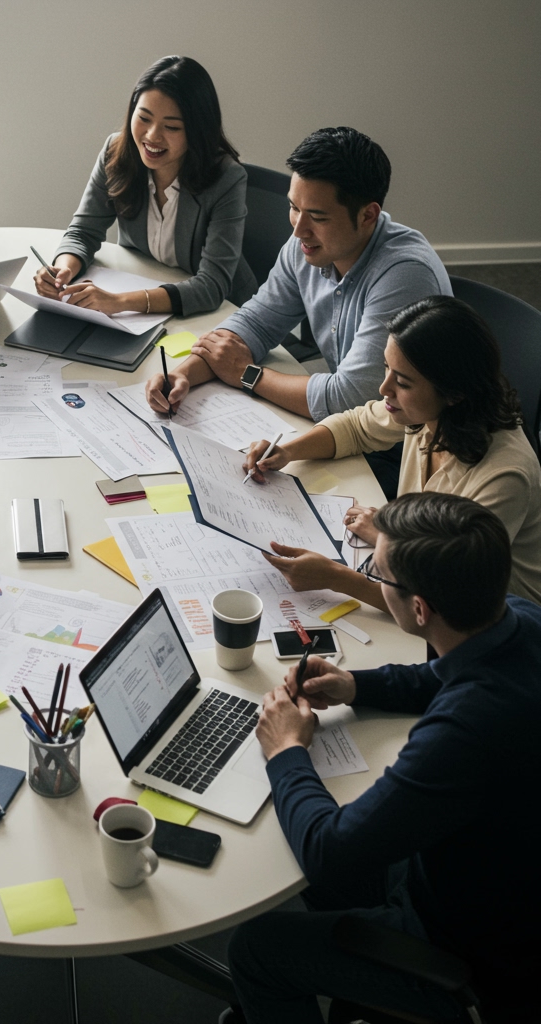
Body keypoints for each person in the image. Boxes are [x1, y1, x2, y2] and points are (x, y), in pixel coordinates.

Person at [228, 492, 534, 1022]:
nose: (371, 576)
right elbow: (442, 674)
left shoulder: (464, 731)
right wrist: (355, 685)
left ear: (418, 608)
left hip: (477, 950)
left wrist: (285, 751)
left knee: (257, 947)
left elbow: (327, 850)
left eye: (378, 572)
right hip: (498, 867)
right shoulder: (522, 618)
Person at [146, 126, 450, 498]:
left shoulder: (405, 275)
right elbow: (256, 321)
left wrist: (247, 374)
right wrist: (184, 375)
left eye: (318, 217)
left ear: (368, 215)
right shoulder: (308, 245)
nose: (299, 229)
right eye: (293, 207)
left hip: (405, 455)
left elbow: (350, 397)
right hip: (347, 431)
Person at [242, 295, 541, 610]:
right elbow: (357, 427)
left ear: (453, 392)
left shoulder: (504, 476)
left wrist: (340, 574)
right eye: (387, 368)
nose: (384, 389)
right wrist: (287, 451)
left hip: (497, 627)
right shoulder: (429, 412)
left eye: (403, 382)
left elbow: (443, 601)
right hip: (422, 577)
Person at [34, 55, 256, 319]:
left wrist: (119, 302)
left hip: (220, 315)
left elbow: (211, 286)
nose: (152, 136)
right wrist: (63, 271)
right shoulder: (115, 153)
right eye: (144, 118)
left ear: (197, 131)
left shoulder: (226, 178)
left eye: (171, 127)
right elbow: (83, 232)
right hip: (142, 299)